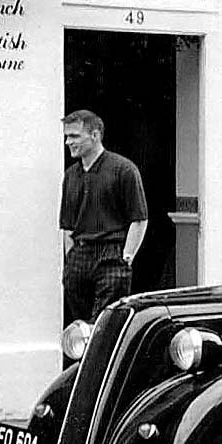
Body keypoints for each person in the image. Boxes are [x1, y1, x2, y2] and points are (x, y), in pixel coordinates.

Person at [60, 109, 148, 323]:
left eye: (74, 136)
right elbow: (68, 225)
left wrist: (126, 257)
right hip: (79, 257)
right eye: (67, 137)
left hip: (111, 255)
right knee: (81, 327)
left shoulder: (123, 170)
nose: (68, 142)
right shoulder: (71, 175)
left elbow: (139, 218)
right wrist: (71, 259)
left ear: (95, 135)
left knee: (105, 325)